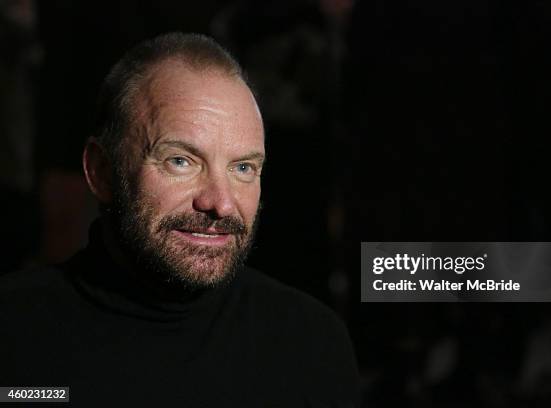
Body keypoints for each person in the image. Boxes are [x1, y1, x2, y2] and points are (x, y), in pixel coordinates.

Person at [0, 32, 359, 407]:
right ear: (102, 172)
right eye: (181, 161)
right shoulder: (13, 333)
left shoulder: (311, 343)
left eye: (243, 167)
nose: (221, 203)